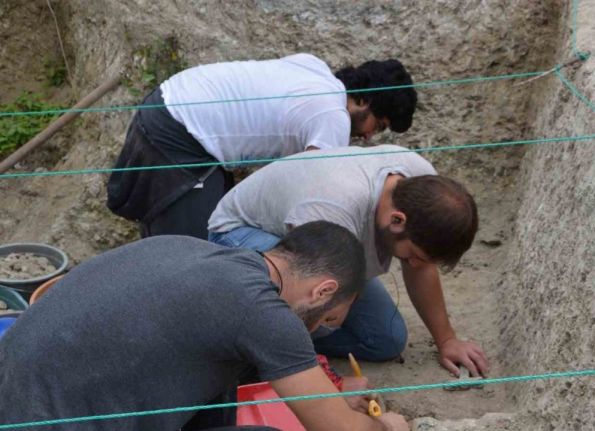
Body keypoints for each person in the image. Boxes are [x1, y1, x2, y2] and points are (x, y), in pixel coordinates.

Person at [0, 222, 408, 431]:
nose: (319, 329)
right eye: (328, 320)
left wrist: (332, 399)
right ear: (324, 290)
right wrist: (385, 425)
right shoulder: (261, 310)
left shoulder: (187, 249)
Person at [208, 145, 489, 378]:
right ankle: (254, 349)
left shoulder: (422, 183)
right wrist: (319, 379)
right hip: (244, 234)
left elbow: (421, 267)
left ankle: (280, 341)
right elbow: (305, 287)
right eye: (413, 256)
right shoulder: (333, 208)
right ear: (397, 220)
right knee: (319, 313)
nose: (413, 265)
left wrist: (447, 340)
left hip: (318, 245)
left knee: (385, 338)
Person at [106, 53, 417, 240]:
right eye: (377, 125)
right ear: (365, 100)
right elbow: (316, 196)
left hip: (168, 103)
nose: (368, 137)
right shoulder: (332, 115)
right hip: (180, 133)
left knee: (193, 229)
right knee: (196, 252)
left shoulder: (313, 69)